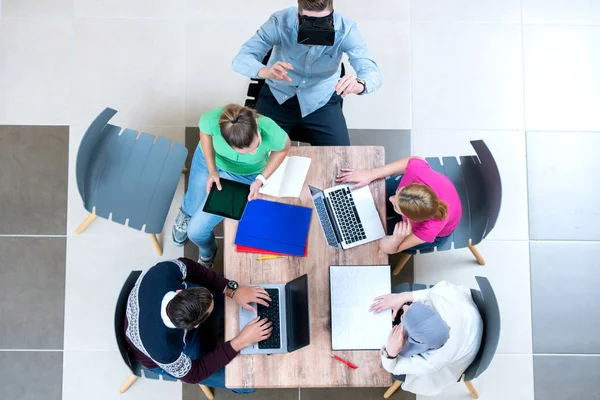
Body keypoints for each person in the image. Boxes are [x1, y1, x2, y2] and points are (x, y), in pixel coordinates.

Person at [232, 0, 382, 146]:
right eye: (308, 22)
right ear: (298, 15)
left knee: (340, 159)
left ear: (332, 13)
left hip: (321, 103)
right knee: (255, 156)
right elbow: (241, 59)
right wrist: (265, 71)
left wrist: (360, 84)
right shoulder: (280, 22)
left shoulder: (346, 29)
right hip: (277, 98)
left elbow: (371, 70)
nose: (316, 29)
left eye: (323, 22)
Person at [125, 257, 273, 392]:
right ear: (194, 326)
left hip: (150, 310)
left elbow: (191, 267)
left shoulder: (165, 272)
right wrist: (240, 342)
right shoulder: (165, 351)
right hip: (155, 357)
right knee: (247, 386)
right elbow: (193, 375)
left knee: (218, 293)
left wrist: (232, 290)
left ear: (179, 291)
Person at [172, 104, 290, 266]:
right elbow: (205, 134)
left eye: (255, 146)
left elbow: (283, 149)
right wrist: (212, 170)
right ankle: (186, 213)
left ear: (255, 125)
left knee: (196, 232)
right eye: (246, 151)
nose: (254, 153)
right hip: (210, 161)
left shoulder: (271, 130)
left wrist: (261, 179)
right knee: (192, 205)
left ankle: (208, 251)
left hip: (243, 175)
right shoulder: (211, 119)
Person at [370, 281, 483, 396]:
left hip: (467, 345)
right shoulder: (445, 298)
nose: (404, 306)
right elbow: (433, 293)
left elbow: (393, 367)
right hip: (468, 318)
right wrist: (403, 296)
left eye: (403, 316)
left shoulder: (431, 362)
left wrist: (391, 353)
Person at [335, 156, 462, 254]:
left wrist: (397, 238)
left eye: (396, 207)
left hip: (438, 234)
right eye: (397, 192)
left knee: (371, 237)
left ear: (411, 220)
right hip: (424, 200)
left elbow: (388, 248)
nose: (391, 199)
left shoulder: (429, 228)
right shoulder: (418, 173)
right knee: (369, 196)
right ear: (414, 184)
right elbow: (416, 160)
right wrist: (371, 173)